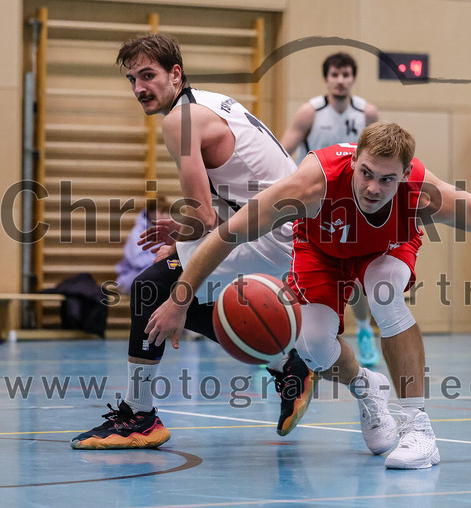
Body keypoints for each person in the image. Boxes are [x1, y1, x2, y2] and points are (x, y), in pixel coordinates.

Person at [145, 121, 471, 470]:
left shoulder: (424, 193)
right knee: (314, 346)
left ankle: (418, 428)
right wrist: (180, 299)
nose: (372, 187)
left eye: (387, 179)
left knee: (384, 295)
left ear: (404, 176)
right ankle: (367, 389)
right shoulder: (311, 185)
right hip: (320, 250)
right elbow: (226, 234)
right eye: (365, 173)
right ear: (354, 163)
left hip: (386, 249)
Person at [70, 33, 315, 450]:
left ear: (175, 73)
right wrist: (181, 240)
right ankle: (287, 365)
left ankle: (139, 417)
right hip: (284, 230)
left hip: (275, 237)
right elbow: (228, 197)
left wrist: (186, 237)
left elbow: (204, 218)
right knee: (175, 291)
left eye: (148, 75)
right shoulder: (207, 103)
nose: (139, 88)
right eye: (132, 79)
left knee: (152, 289)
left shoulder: (179, 121)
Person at [280, 52, 381, 367]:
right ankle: (279, 344)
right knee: (293, 272)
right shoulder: (310, 112)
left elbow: (381, 157)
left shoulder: (367, 113)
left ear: (353, 78)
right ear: (326, 78)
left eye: (346, 74)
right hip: (314, 204)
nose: (340, 80)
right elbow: (283, 153)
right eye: (335, 74)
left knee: (355, 277)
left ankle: (364, 330)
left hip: (354, 206)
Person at [114, 195, 170, 295]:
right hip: (133, 276)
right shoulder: (137, 233)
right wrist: (160, 260)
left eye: (168, 212)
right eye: (162, 212)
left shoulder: (168, 232)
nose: (166, 216)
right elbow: (138, 262)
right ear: (150, 213)